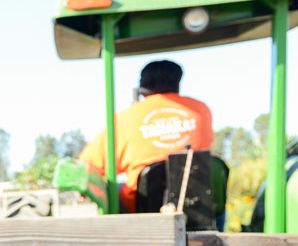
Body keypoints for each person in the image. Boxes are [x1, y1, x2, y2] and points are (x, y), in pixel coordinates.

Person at [78, 59, 214, 213]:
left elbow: (88, 164)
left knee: (115, 189)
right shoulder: (201, 110)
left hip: (144, 206)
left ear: (142, 85)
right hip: (200, 206)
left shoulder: (126, 117)